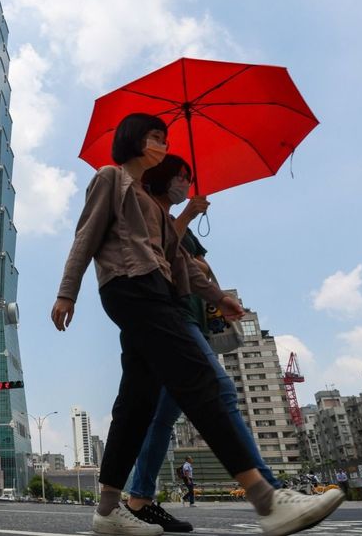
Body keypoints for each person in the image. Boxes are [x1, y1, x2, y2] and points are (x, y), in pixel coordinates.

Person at [51, 113, 344, 535]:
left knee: (137, 404)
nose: (162, 145)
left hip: (157, 291)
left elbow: (183, 263)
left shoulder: (153, 206)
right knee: (200, 380)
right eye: (155, 137)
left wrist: (218, 297)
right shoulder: (110, 178)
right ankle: (266, 499)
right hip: (131, 288)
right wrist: (67, 291)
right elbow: (86, 236)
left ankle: (109, 509)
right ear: (133, 140)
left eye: (165, 139)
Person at [123, 155, 284, 532]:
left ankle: (138, 500)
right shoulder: (146, 209)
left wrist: (214, 293)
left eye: (189, 178)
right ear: (162, 179)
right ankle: (269, 491)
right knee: (220, 391)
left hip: (189, 315)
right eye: (181, 177)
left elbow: (193, 264)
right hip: (171, 318)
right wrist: (189, 215)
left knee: (159, 419)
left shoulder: (173, 220)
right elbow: (158, 250)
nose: (186, 184)